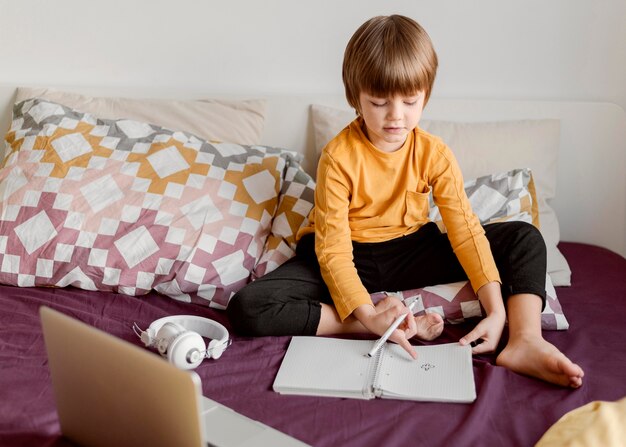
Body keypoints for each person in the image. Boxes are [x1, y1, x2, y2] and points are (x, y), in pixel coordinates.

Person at [227, 14, 584, 388]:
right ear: (356, 99)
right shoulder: (337, 157)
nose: (396, 115)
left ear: (425, 95)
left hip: (410, 250)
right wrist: (369, 315)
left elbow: (465, 231)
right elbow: (333, 252)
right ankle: (374, 323)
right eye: (379, 102)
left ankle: (525, 340)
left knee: (525, 238)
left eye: (410, 101)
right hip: (347, 255)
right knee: (248, 308)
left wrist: (495, 311)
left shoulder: (434, 153)